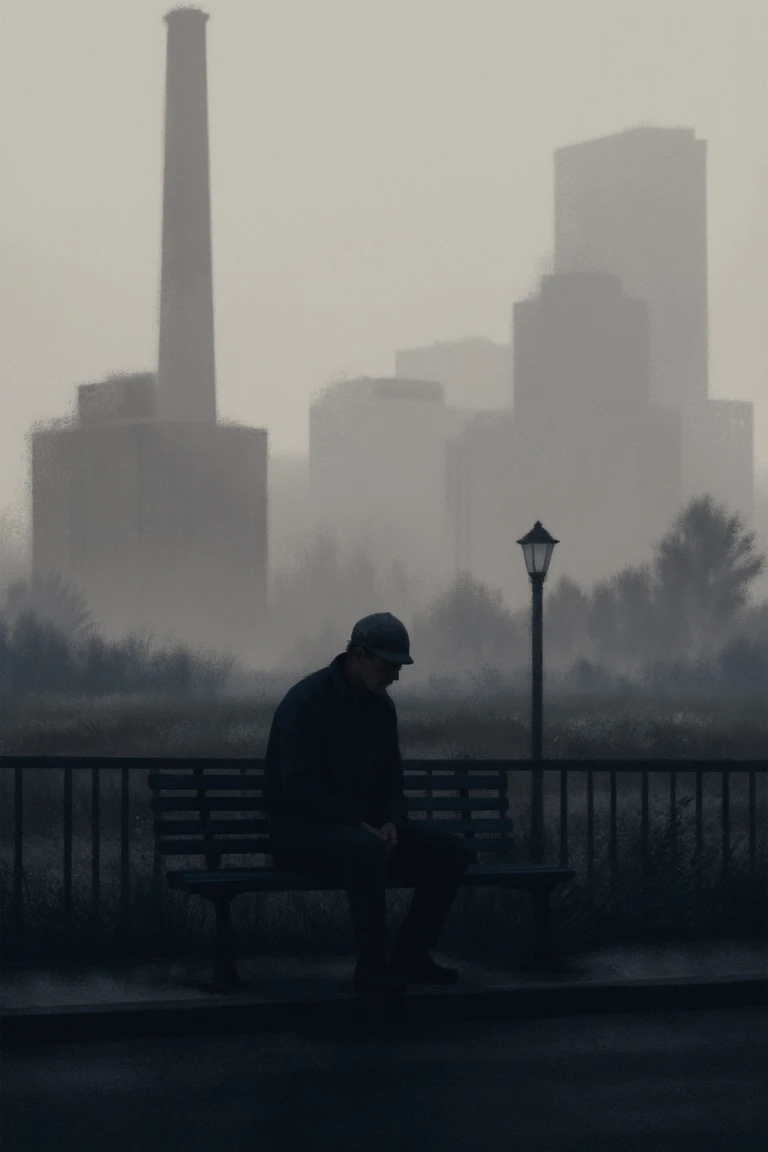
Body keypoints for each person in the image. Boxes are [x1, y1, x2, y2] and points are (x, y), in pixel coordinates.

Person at [265, 612, 477, 998]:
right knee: (366, 852)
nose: (395, 676)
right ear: (358, 655)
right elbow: (295, 789)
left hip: (363, 832)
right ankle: (372, 968)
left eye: (399, 667)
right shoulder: (304, 703)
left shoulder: (381, 707)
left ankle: (410, 955)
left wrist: (393, 821)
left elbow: (391, 778)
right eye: (388, 665)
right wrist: (356, 824)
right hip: (301, 835)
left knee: (453, 853)